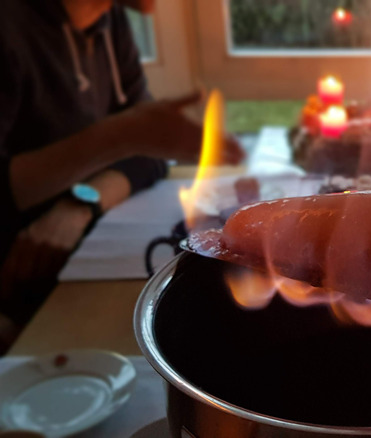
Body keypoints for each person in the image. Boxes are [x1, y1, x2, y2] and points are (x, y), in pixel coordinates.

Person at [0, 0, 244, 344]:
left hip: (85, 254)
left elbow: (150, 154)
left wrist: (81, 204)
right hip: (20, 289)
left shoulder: (108, 19)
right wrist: (121, 137)